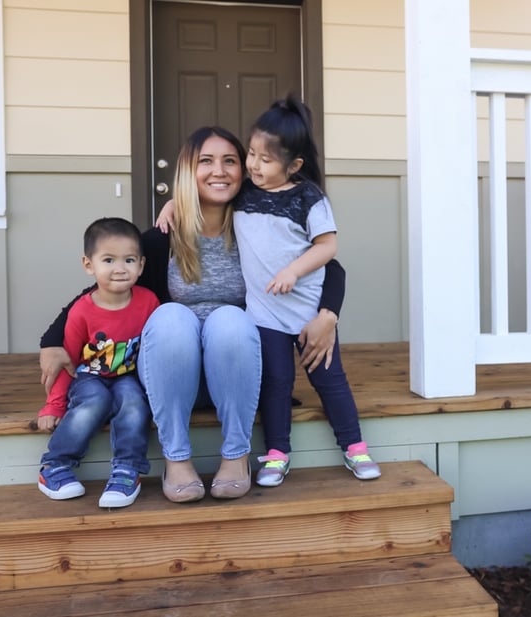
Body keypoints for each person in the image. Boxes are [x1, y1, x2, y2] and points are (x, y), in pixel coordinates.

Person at [39, 126, 346, 502]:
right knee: (171, 317)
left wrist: (328, 315)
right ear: (188, 170)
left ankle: (236, 456)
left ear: (244, 170)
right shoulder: (164, 236)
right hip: (171, 376)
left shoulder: (256, 226)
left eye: (230, 161)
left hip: (235, 374)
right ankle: (177, 459)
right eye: (206, 161)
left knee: (230, 320)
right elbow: (107, 287)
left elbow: (328, 266)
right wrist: (53, 341)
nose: (219, 170)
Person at [235, 95, 380, 487]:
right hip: (265, 313)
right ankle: (277, 454)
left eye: (266, 160)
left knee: (329, 381)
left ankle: (355, 447)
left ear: (294, 165)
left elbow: (328, 247)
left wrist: (293, 270)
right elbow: (199, 202)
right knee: (276, 383)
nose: (254, 165)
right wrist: (171, 208)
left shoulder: (308, 197)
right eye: (251, 154)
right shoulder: (243, 193)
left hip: (309, 312)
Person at [36, 217, 160, 509]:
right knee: (95, 400)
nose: (120, 268)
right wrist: (54, 405)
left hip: (128, 376)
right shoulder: (82, 311)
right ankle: (55, 464)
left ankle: (127, 469)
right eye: (108, 260)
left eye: (129, 260)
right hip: (87, 376)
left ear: (141, 265)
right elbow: (67, 360)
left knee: (133, 402)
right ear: (89, 265)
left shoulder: (148, 302)